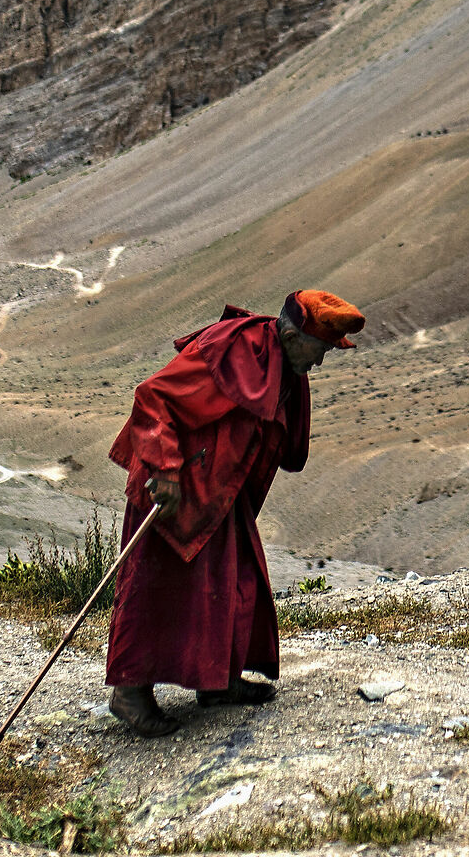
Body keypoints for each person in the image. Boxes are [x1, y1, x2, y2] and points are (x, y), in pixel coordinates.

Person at [102, 288, 362, 736]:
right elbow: (153, 396)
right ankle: (130, 694)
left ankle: (218, 681)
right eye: (319, 350)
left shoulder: (284, 362)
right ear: (290, 335)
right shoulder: (230, 352)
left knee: (235, 582)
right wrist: (165, 469)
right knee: (155, 587)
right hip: (175, 484)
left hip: (221, 486)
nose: (320, 362)